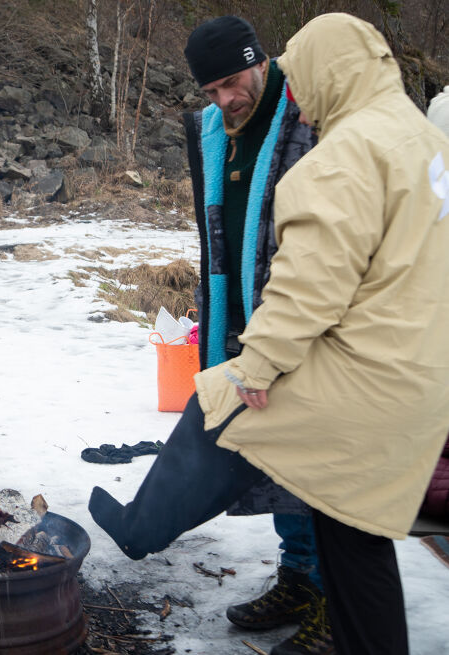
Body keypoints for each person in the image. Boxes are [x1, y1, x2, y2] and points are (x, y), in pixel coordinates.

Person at [89, 13, 449, 655]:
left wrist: (259, 364)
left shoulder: (339, 156)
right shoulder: (422, 140)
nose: (298, 103)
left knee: (232, 415)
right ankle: (303, 587)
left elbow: (312, 279)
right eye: (212, 89)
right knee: (347, 526)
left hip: (356, 372)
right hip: (413, 371)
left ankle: (147, 528)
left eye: (299, 84)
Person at [180, 16, 324, 655]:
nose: (225, 101)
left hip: (307, 325)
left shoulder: (307, 117)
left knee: (321, 466)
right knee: (276, 460)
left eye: (232, 83)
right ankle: (299, 577)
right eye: (211, 91)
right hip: (243, 320)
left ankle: (336, 599)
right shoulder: (217, 131)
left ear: (259, 62)